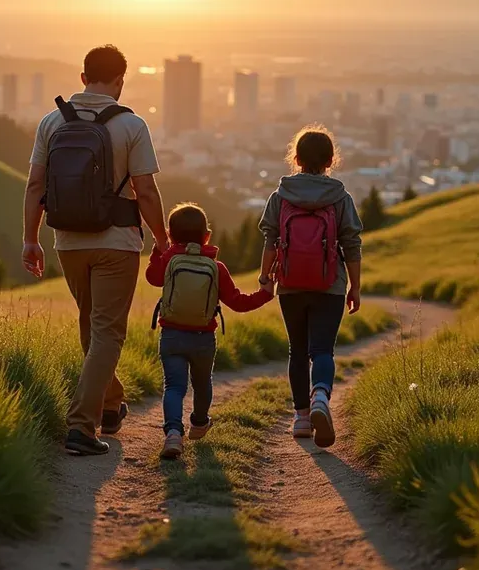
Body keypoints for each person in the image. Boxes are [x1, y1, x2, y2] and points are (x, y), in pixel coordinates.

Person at [22, 45, 168, 456]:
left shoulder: (52, 122)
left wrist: (30, 240)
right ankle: (81, 428)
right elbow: (147, 191)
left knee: (92, 326)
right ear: (121, 81)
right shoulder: (131, 125)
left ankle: (108, 402)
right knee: (106, 332)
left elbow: (35, 186)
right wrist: (161, 239)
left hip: (67, 241)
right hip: (117, 243)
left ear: (83, 77)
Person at [258, 125, 363, 448]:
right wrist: (355, 287)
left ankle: (302, 418)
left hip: (290, 284)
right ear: (331, 160)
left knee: (298, 351)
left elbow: (270, 240)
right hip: (329, 284)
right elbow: (352, 244)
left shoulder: (281, 196)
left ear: (297, 158)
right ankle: (320, 395)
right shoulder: (340, 197)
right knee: (322, 350)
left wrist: (266, 277)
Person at [145, 203, 274, 459]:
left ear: (171, 235)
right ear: (207, 236)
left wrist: (156, 253)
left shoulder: (169, 259)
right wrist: (265, 294)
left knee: (173, 386)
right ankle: (200, 422)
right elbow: (237, 302)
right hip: (204, 338)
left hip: (171, 335)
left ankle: (173, 433)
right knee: (202, 384)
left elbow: (152, 278)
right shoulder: (217, 267)